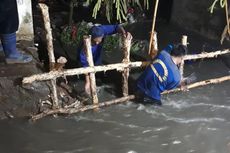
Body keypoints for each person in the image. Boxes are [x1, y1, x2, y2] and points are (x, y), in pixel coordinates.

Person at [79, 24, 130, 94]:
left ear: (102, 35)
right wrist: (87, 82)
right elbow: (85, 66)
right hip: (86, 60)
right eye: (94, 41)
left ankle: (98, 76)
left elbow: (116, 27)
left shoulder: (101, 30)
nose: (97, 43)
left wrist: (124, 33)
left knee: (98, 72)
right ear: (90, 38)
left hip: (97, 57)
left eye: (99, 41)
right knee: (86, 71)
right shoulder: (84, 48)